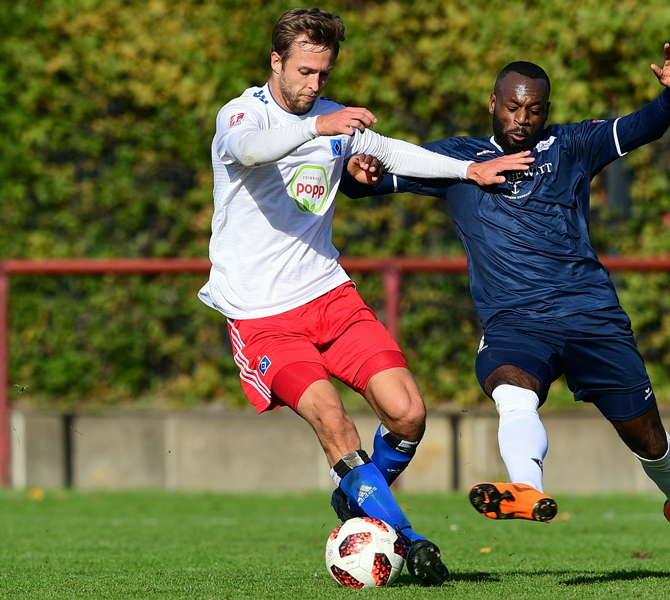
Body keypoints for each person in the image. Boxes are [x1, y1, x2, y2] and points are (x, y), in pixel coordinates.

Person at [340, 46, 670, 581]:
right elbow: (373, 181)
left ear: (546, 110)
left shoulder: (572, 145)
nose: (523, 119)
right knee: (513, 393)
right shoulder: (460, 161)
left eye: (534, 110)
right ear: (492, 102)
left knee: (651, 444)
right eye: (513, 107)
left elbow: (644, 127)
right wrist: (359, 173)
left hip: (592, 315)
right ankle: (526, 489)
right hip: (516, 322)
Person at [197, 7, 532, 586]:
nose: (314, 86)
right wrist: (318, 129)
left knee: (408, 413)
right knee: (335, 424)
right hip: (261, 317)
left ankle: (357, 500)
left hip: (328, 294)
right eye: (304, 72)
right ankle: (409, 537)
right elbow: (249, 150)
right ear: (276, 62)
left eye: (323, 74)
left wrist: (469, 172)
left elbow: (397, 151)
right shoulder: (243, 113)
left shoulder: (330, 118)